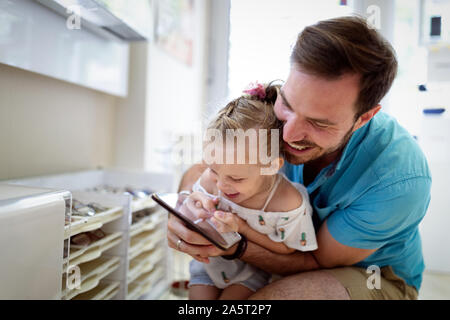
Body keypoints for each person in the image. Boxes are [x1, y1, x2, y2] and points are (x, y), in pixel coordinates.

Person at [167, 16, 431, 300]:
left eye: (319, 123)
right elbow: (206, 168)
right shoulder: (268, 115)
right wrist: (185, 210)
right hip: (267, 254)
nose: (288, 134)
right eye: (288, 105)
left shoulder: (398, 180)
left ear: (363, 118)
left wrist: (234, 246)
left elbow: (316, 261)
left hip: (370, 274)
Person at [187, 83, 318, 300]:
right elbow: (191, 204)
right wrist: (196, 205)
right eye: (213, 170)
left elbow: (286, 250)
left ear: (273, 166)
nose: (220, 185)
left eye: (236, 178)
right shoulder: (211, 181)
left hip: (250, 274)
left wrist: (241, 227)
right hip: (209, 265)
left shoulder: (287, 203)